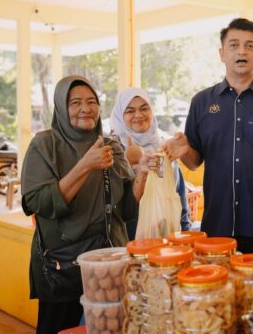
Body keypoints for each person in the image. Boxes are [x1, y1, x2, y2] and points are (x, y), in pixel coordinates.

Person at [162, 18, 253, 257]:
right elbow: (194, 163)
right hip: (217, 226)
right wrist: (185, 150)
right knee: (216, 282)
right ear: (222, 54)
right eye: (234, 45)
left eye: (250, 46)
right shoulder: (201, 102)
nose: (242, 51)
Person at [21, 76, 146, 333]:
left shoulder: (111, 146)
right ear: (61, 106)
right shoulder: (44, 145)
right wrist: (85, 166)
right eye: (75, 102)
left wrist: (142, 173)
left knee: (109, 328)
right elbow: (40, 203)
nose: (85, 109)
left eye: (91, 102)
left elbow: (126, 210)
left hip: (109, 266)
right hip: (64, 267)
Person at [109, 87, 192, 237]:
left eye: (144, 108)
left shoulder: (164, 148)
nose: (138, 115)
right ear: (120, 115)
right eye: (130, 111)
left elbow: (179, 196)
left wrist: (186, 233)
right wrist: (127, 161)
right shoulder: (112, 149)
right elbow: (109, 202)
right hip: (127, 241)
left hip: (165, 241)